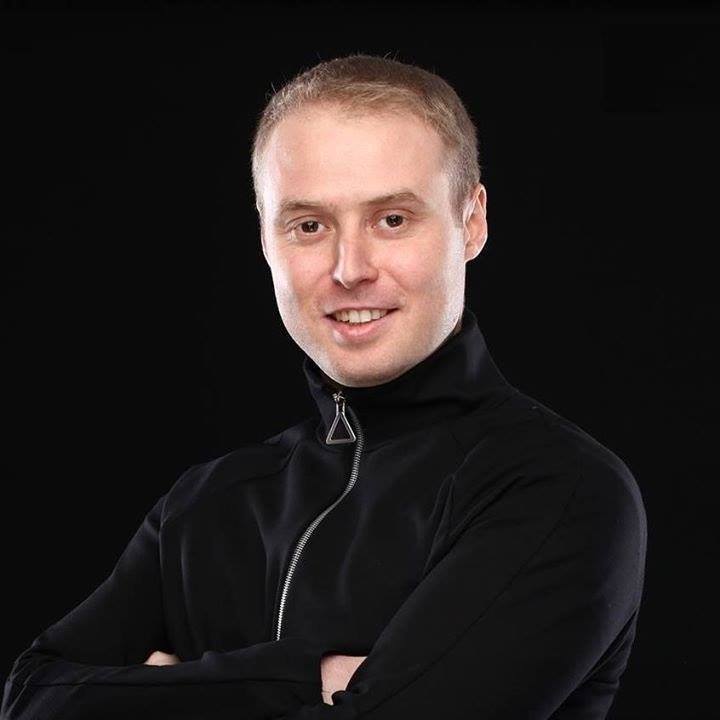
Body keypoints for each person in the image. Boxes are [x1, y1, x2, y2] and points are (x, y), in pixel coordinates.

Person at [1, 53, 647, 720]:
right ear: (266, 239)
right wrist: (310, 679)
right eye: (310, 226)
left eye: (392, 219)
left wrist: (162, 690)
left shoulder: (559, 488)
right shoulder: (205, 508)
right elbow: (29, 700)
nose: (349, 269)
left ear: (471, 221)